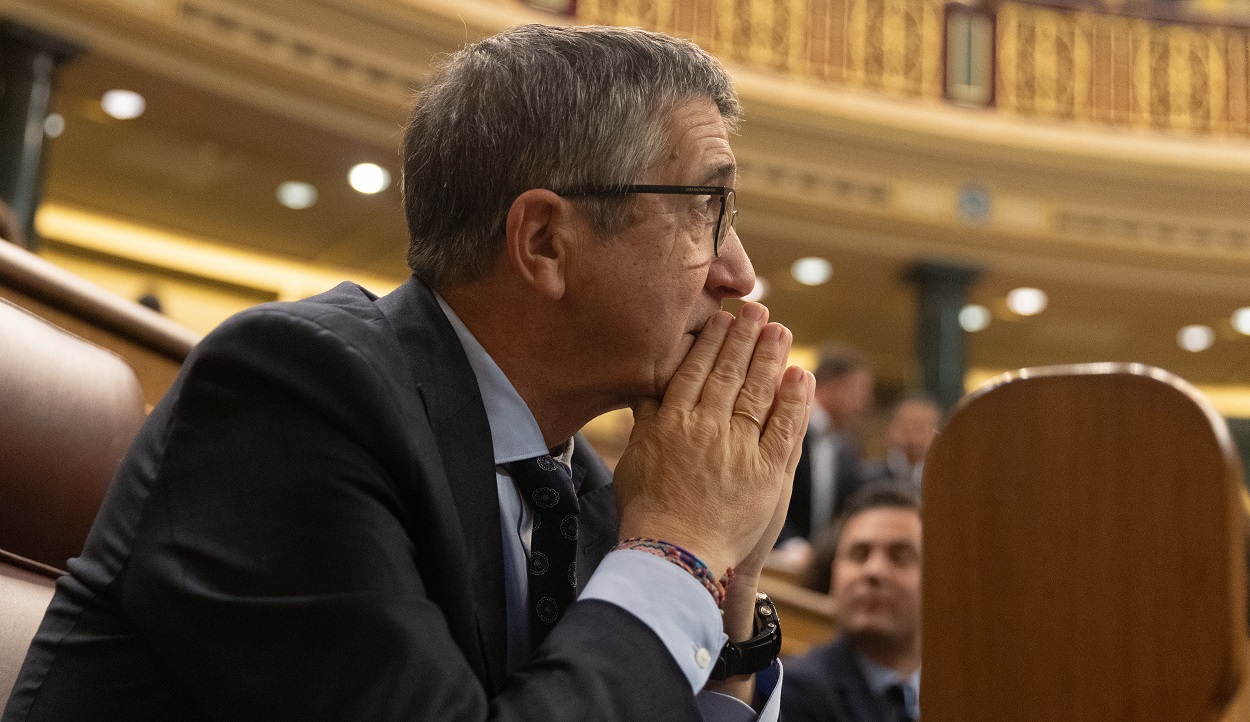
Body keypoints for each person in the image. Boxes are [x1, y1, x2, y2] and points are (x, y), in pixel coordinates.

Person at [2, 25, 815, 721]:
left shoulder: (594, 495)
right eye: (707, 211)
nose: (738, 273)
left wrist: (728, 591)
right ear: (543, 242)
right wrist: (678, 552)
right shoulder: (293, 394)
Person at [782, 484, 922, 722]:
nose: (874, 571)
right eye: (859, 554)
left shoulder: (973, 688)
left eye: (900, 556)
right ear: (834, 574)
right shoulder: (795, 692)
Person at [777, 344, 874, 549]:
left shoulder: (846, 450)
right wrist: (790, 545)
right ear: (832, 386)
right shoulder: (786, 427)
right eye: (859, 390)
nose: (863, 402)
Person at [859, 394, 941, 492]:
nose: (912, 438)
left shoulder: (948, 482)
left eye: (920, 429)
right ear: (888, 429)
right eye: (905, 428)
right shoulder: (866, 478)